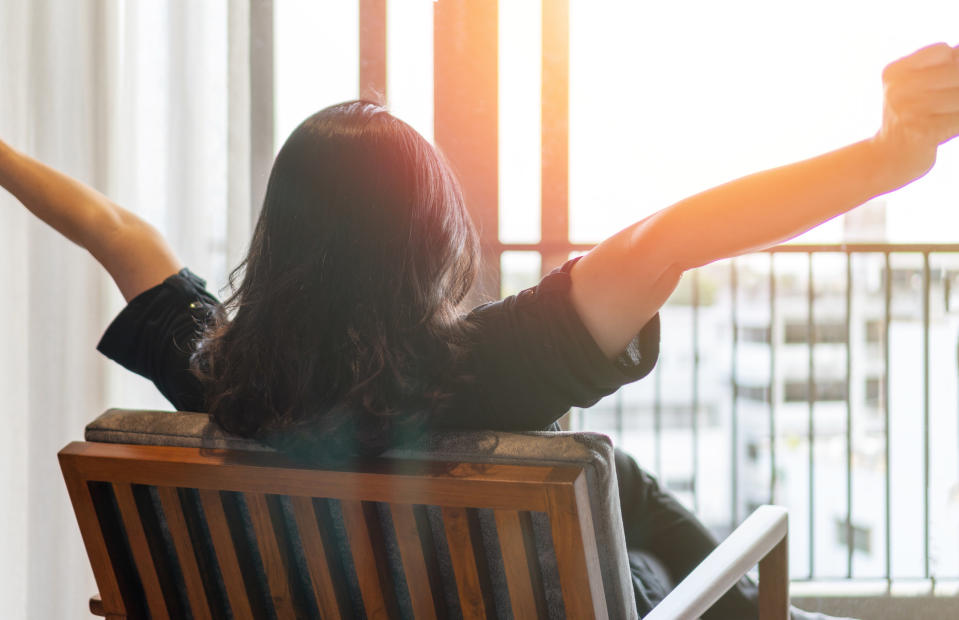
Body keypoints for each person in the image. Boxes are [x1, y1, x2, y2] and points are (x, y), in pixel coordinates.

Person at [3, 41, 958, 619]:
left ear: (280, 232)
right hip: (659, 605)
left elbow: (113, 231)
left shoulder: (218, 374)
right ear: (431, 238)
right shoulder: (483, 369)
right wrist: (883, 158)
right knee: (651, 508)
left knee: (620, 479)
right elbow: (675, 234)